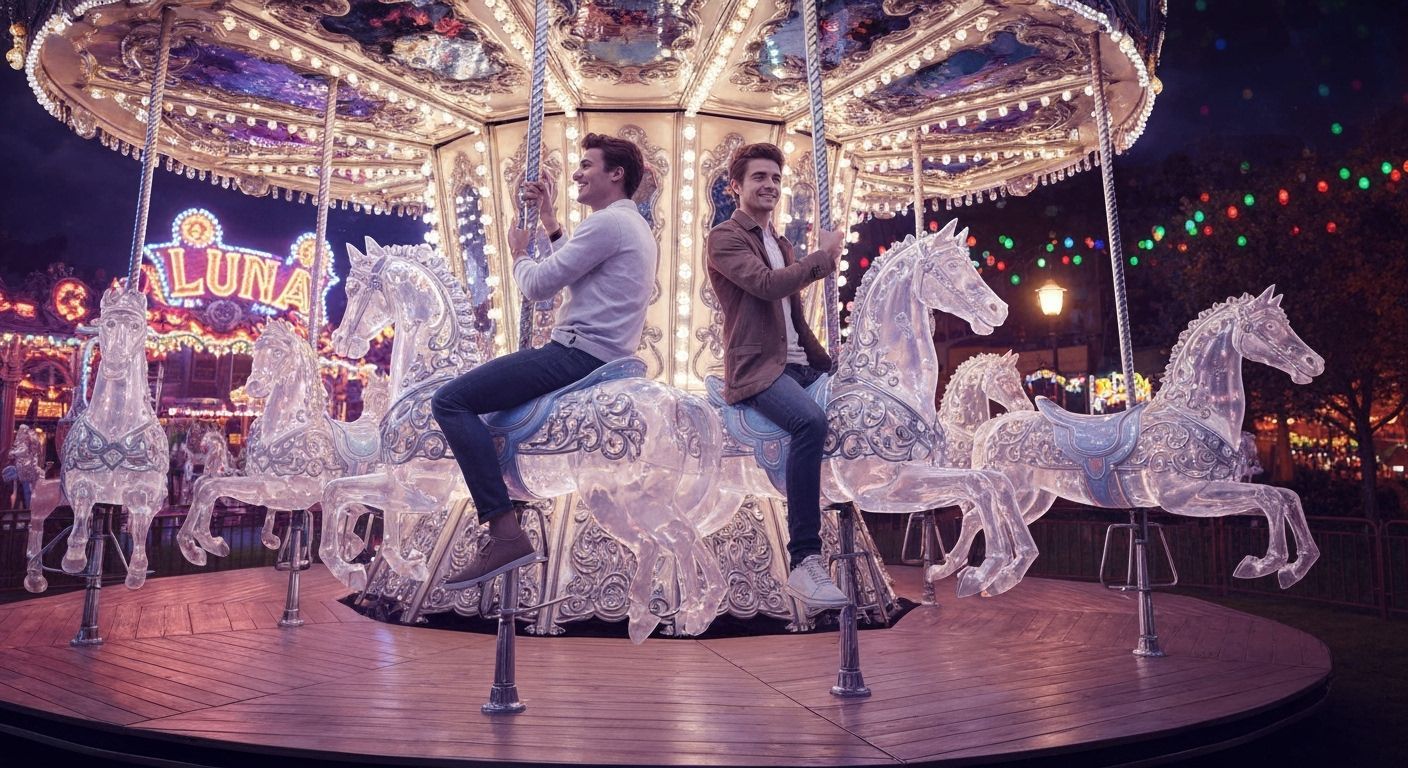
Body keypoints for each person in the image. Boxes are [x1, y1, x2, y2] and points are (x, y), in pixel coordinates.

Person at [433, 134, 655, 588]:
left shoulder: (607, 224)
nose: (577, 173)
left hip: (574, 354)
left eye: (586, 165)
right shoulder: (630, 225)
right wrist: (552, 222)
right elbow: (583, 270)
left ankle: (503, 531)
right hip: (608, 356)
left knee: (450, 402)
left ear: (616, 174)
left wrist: (517, 252)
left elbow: (538, 287)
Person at [705, 142, 848, 609]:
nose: (769, 186)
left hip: (798, 365)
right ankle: (805, 559)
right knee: (809, 423)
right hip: (757, 370)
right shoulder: (725, 237)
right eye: (759, 178)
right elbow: (766, 287)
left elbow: (796, 319)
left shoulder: (781, 243)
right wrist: (823, 258)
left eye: (775, 179)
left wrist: (831, 365)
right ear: (736, 187)